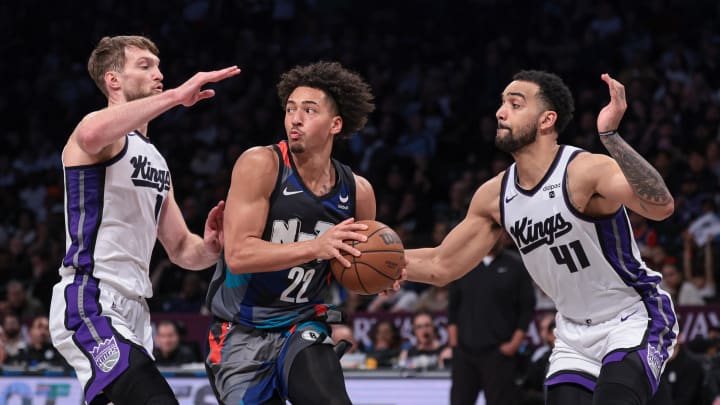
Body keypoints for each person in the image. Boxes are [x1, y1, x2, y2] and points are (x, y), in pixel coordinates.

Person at [405, 70, 679, 405]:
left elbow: (661, 206)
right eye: (501, 103)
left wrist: (611, 137)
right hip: (573, 333)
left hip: (634, 317)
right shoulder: (494, 196)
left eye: (515, 104)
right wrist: (370, 259)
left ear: (547, 119)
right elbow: (439, 265)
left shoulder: (585, 171)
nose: (500, 112)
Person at [48, 35, 238, 405]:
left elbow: (183, 248)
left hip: (136, 310)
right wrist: (176, 97)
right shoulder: (98, 133)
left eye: (158, 65)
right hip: (91, 297)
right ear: (113, 80)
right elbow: (91, 133)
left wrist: (213, 245)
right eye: (145, 65)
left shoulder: (156, 161)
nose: (159, 73)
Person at [204, 61, 378, 405]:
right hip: (241, 331)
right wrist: (317, 246)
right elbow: (238, 255)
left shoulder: (358, 191)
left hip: (302, 325)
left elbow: (356, 263)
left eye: (309, 110)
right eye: (290, 109)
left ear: (335, 124)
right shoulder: (261, 165)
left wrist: (379, 277)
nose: (295, 119)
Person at [446, 232, 536, 405]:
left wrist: (513, 345)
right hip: (464, 352)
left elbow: (527, 308)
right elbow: (453, 308)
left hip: (499, 353)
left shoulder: (516, 265)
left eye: (497, 232)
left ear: (503, 236)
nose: (493, 237)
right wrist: (455, 344)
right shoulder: (464, 264)